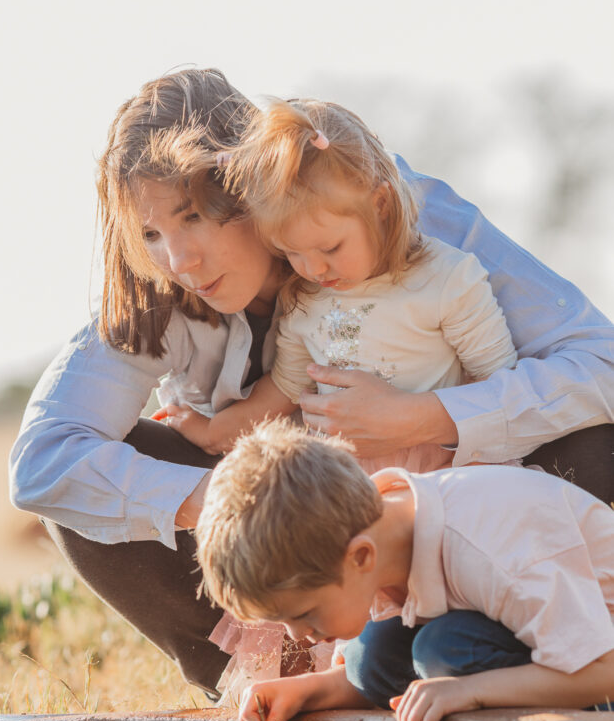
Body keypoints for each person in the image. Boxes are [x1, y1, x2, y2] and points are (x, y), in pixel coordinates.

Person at [9, 67, 614, 702]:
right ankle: (276, 684)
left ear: (250, 186)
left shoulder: (384, 208)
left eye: (193, 217)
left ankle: (550, 655)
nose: (179, 260)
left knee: (592, 437)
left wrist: (428, 415)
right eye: (152, 233)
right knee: (90, 500)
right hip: (304, 559)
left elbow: (600, 363)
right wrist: (241, 501)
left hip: (460, 518)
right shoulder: (158, 289)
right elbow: (42, 462)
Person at [196, 419, 614, 721]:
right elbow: (375, 673)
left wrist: (470, 692)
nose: (297, 636)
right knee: (368, 657)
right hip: (540, 647)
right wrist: (304, 690)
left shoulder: (494, 547)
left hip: (598, 666)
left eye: (303, 613)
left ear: (360, 557)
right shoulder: (374, 532)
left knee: (443, 650)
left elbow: (604, 670)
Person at [163, 98, 517, 476]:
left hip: (440, 474)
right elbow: (284, 392)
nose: (312, 268)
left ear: (380, 204)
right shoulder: (304, 299)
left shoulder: (446, 280)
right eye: (291, 252)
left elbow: (500, 386)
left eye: (330, 247)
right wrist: (213, 433)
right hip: (337, 484)